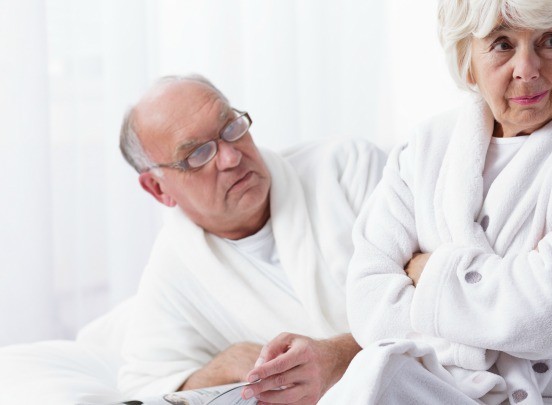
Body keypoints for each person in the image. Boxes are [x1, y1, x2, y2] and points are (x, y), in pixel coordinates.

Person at [324, 0, 552, 403]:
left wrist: (431, 273)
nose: (527, 69)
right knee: (376, 373)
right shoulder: (424, 147)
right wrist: (485, 340)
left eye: (551, 41)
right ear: (467, 61)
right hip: (444, 385)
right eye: (502, 44)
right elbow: (369, 307)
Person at [116, 74, 385, 404]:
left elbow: (429, 295)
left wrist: (338, 356)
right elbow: (144, 385)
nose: (231, 157)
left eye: (231, 127)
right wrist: (221, 367)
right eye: (198, 153)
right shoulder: (175, 264)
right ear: (158, 188)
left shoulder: (347, 168)